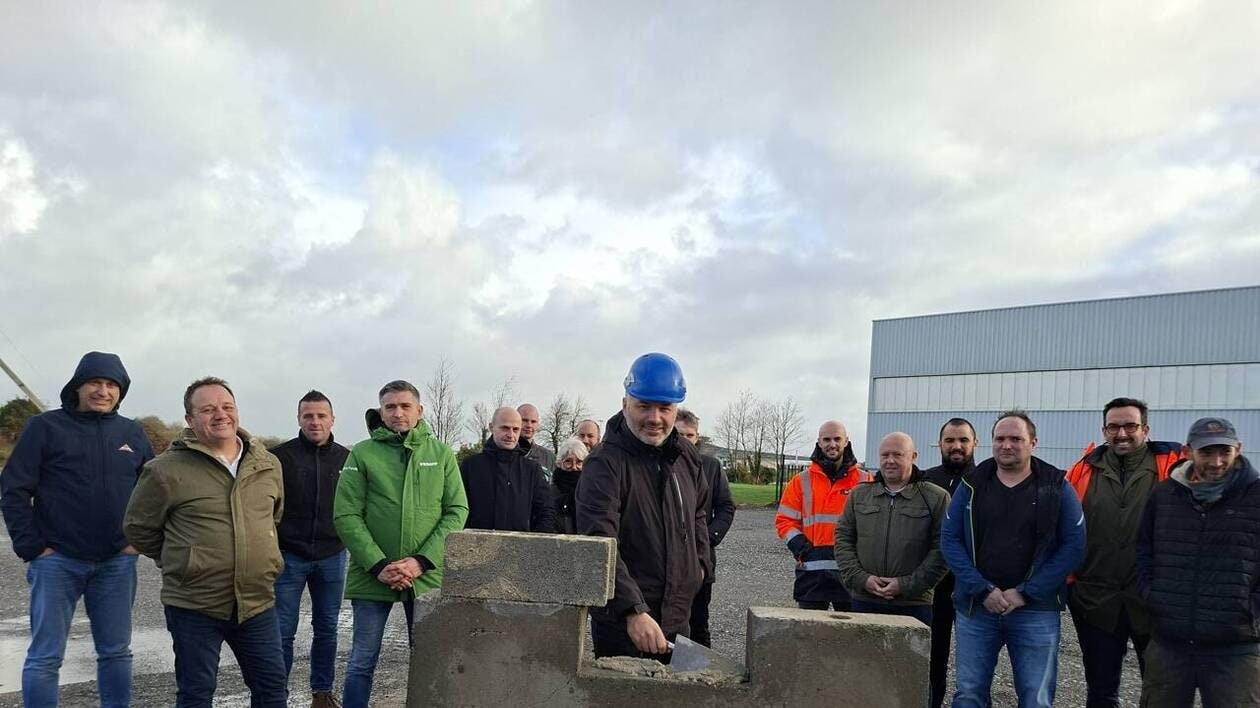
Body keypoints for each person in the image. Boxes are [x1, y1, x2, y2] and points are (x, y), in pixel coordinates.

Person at [1, 352, 154, 708]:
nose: (103, 391)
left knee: (116, 652)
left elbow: (154, 491)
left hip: (117, 562)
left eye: (112, 385)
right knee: (45, 656)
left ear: (121, 391)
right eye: (95, 383)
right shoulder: (45, 427)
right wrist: (33, 547)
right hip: (57, 561)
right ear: (78, 386)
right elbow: (13, 489)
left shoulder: (131, 432)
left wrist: (138, 541)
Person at [124, 377, 287, 707]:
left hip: (257, 603)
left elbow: (273, 517)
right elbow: (138, 528)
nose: (220, 415)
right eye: (208, 409)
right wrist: (184, 559)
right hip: (194, 606)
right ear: (190, 419)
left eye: (227, 407)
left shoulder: (267, 464)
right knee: (196, 694)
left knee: (272, 691)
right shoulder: (164, 471)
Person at [333, 380, 468, 708]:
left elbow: (456, 510)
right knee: (362, 662)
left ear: (420, 411)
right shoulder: (362, 453)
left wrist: (421, 561)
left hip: (425, 576)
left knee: (428, 661)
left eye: (405, 406)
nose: (398, 413)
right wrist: (378, 565)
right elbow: (346, 514)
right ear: (381, 411)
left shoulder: (441, 454)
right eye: (390, 407)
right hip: (372, 574)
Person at [940, 411, 1085, 708]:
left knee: (1036, 698)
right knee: (969, 694)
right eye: (1000, 438)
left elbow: (1074, 546)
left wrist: (1026, 593)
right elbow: (949, 540)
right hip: (977, 608)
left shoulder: (1056, 487)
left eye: (1016, 438)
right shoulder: (971, 486)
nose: (1007, 445)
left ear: (1033, 442)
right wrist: (982, 589)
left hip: (1036, 611)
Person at [577, 353, 711, 661]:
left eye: (665, 408)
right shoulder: (604, 464)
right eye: (644, 406)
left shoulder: (686, 458)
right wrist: (632, 611)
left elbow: (699, 514)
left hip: (678, 616)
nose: (655, 417)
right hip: (626, 628)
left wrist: (700, 568)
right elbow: (600, 542)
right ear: (626, 404)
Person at [1065, 397, 1182, 708]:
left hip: (1154, 603)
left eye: (1130, 426)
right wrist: (1071, 585)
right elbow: (1064, 529)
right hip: (1096, 601)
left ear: (1145, 429)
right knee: (1101, 691)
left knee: (1160, 691)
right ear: (1104, 430)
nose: (1122, 434)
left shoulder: (1173, 466)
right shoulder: (1083, 470)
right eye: (1114, 427)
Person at [1136, 417, 1260, 707]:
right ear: (1188, 451)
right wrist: (1153, 596)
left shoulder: (1256, 497)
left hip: (1235, 647)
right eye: (1206, 452)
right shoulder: (1165, 495)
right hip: (1170, 642)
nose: (1216, 462)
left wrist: (1251, 609)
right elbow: (1144, 550)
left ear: (1238, 449)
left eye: (1224, 452)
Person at [269, 390, 350, 708]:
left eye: (321, 415)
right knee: (282, 631)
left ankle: (322, 692)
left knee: (327, 628)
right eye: (308, 416)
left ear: (332, 419)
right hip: (289, 555)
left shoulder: (347, 459)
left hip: (332, 555)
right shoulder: (278, 457)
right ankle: (277, 694)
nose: (315, 421)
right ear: (298, 418)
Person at [835, 432, 949, 628]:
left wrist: (905, 585)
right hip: (865, 600)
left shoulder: (936, 498)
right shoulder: (859, 495)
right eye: (885, 455)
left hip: (914, 604)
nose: (890, 461)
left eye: (898, 455)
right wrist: (862, 579)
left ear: (913, 457)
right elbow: (843, 539)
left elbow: (943, 549)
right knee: (862, 658)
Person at [775, 420, 872, 610]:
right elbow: (784, 520)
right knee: (809, 634)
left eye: (837, 439)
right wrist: (802, 548)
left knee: (852, 635)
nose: (832, 444)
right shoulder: (801, 481)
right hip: (812, 570)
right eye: (826, 439)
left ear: (846, 441)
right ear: (819, 442)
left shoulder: (865, 480)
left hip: (851, 570)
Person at [921, 417, 979, 708]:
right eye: (950, 440)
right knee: (933, 658)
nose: (956, 446)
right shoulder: (924, 480)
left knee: (974, 666)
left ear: (974, 443)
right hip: (934, 588)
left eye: (963, 440)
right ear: (940, 444)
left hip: (974, 588)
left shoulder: (988, 479)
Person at [674, 408, 735, 647]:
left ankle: (698, 675)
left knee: (698, 621)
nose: (684, 439)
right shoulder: (657, 464)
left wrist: (707, 538)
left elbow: (725, 507)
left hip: (700, 556)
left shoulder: (710, 467)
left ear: (697, 437)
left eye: (689, 435)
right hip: (665, 558)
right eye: (679, 434)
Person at [460, 406, 556, 532]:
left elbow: (546, 511)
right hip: (476, 545)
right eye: (505, 428)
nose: (511, 435)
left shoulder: (532, 470)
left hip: (520, 547)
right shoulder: (471, 466)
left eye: (515, 429)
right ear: (491, 427)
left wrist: (533, 544)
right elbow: (459, 508)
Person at [551, 437, 588, 534]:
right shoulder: (550, 492)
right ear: (560, 463)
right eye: (568, 461)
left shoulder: (591, 492)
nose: (574, 467)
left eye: (579, 462)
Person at [516, 403, 556, 476]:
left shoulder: (549, 458)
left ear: (538, 424)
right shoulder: (504, 453)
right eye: (524, 420)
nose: (529, 425)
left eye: (533, 422)